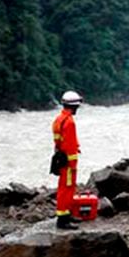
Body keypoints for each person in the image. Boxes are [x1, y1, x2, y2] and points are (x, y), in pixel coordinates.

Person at [52, 91, 83, 230]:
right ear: (74, 106)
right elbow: (69, 145)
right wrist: (73, 162)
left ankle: (65, 215)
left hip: (61, 158)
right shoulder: (69, 122)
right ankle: (63, 219)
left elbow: (58, 141)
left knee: (63, 187)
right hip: (68, 162)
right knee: (67, 189)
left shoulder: (59, 119)